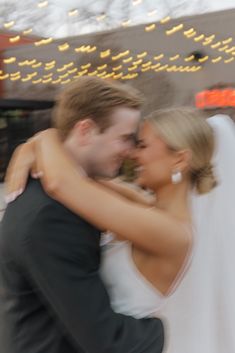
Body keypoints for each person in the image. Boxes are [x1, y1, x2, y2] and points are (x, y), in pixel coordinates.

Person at [5, 105, 226, 352]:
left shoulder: (170, 233)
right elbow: (82, 178)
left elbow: (61, 183)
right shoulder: (148, 209)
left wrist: (45, 137)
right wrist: (30, 149)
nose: (132, 154)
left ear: (180, 159)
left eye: (142, 146)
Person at [0, 76, 164, 353]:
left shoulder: (60, 197)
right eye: (124, 138)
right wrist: (171, 325)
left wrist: (41, 140)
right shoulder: (52, 217)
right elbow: (106, 341)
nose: (129, 151)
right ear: (86, 130)